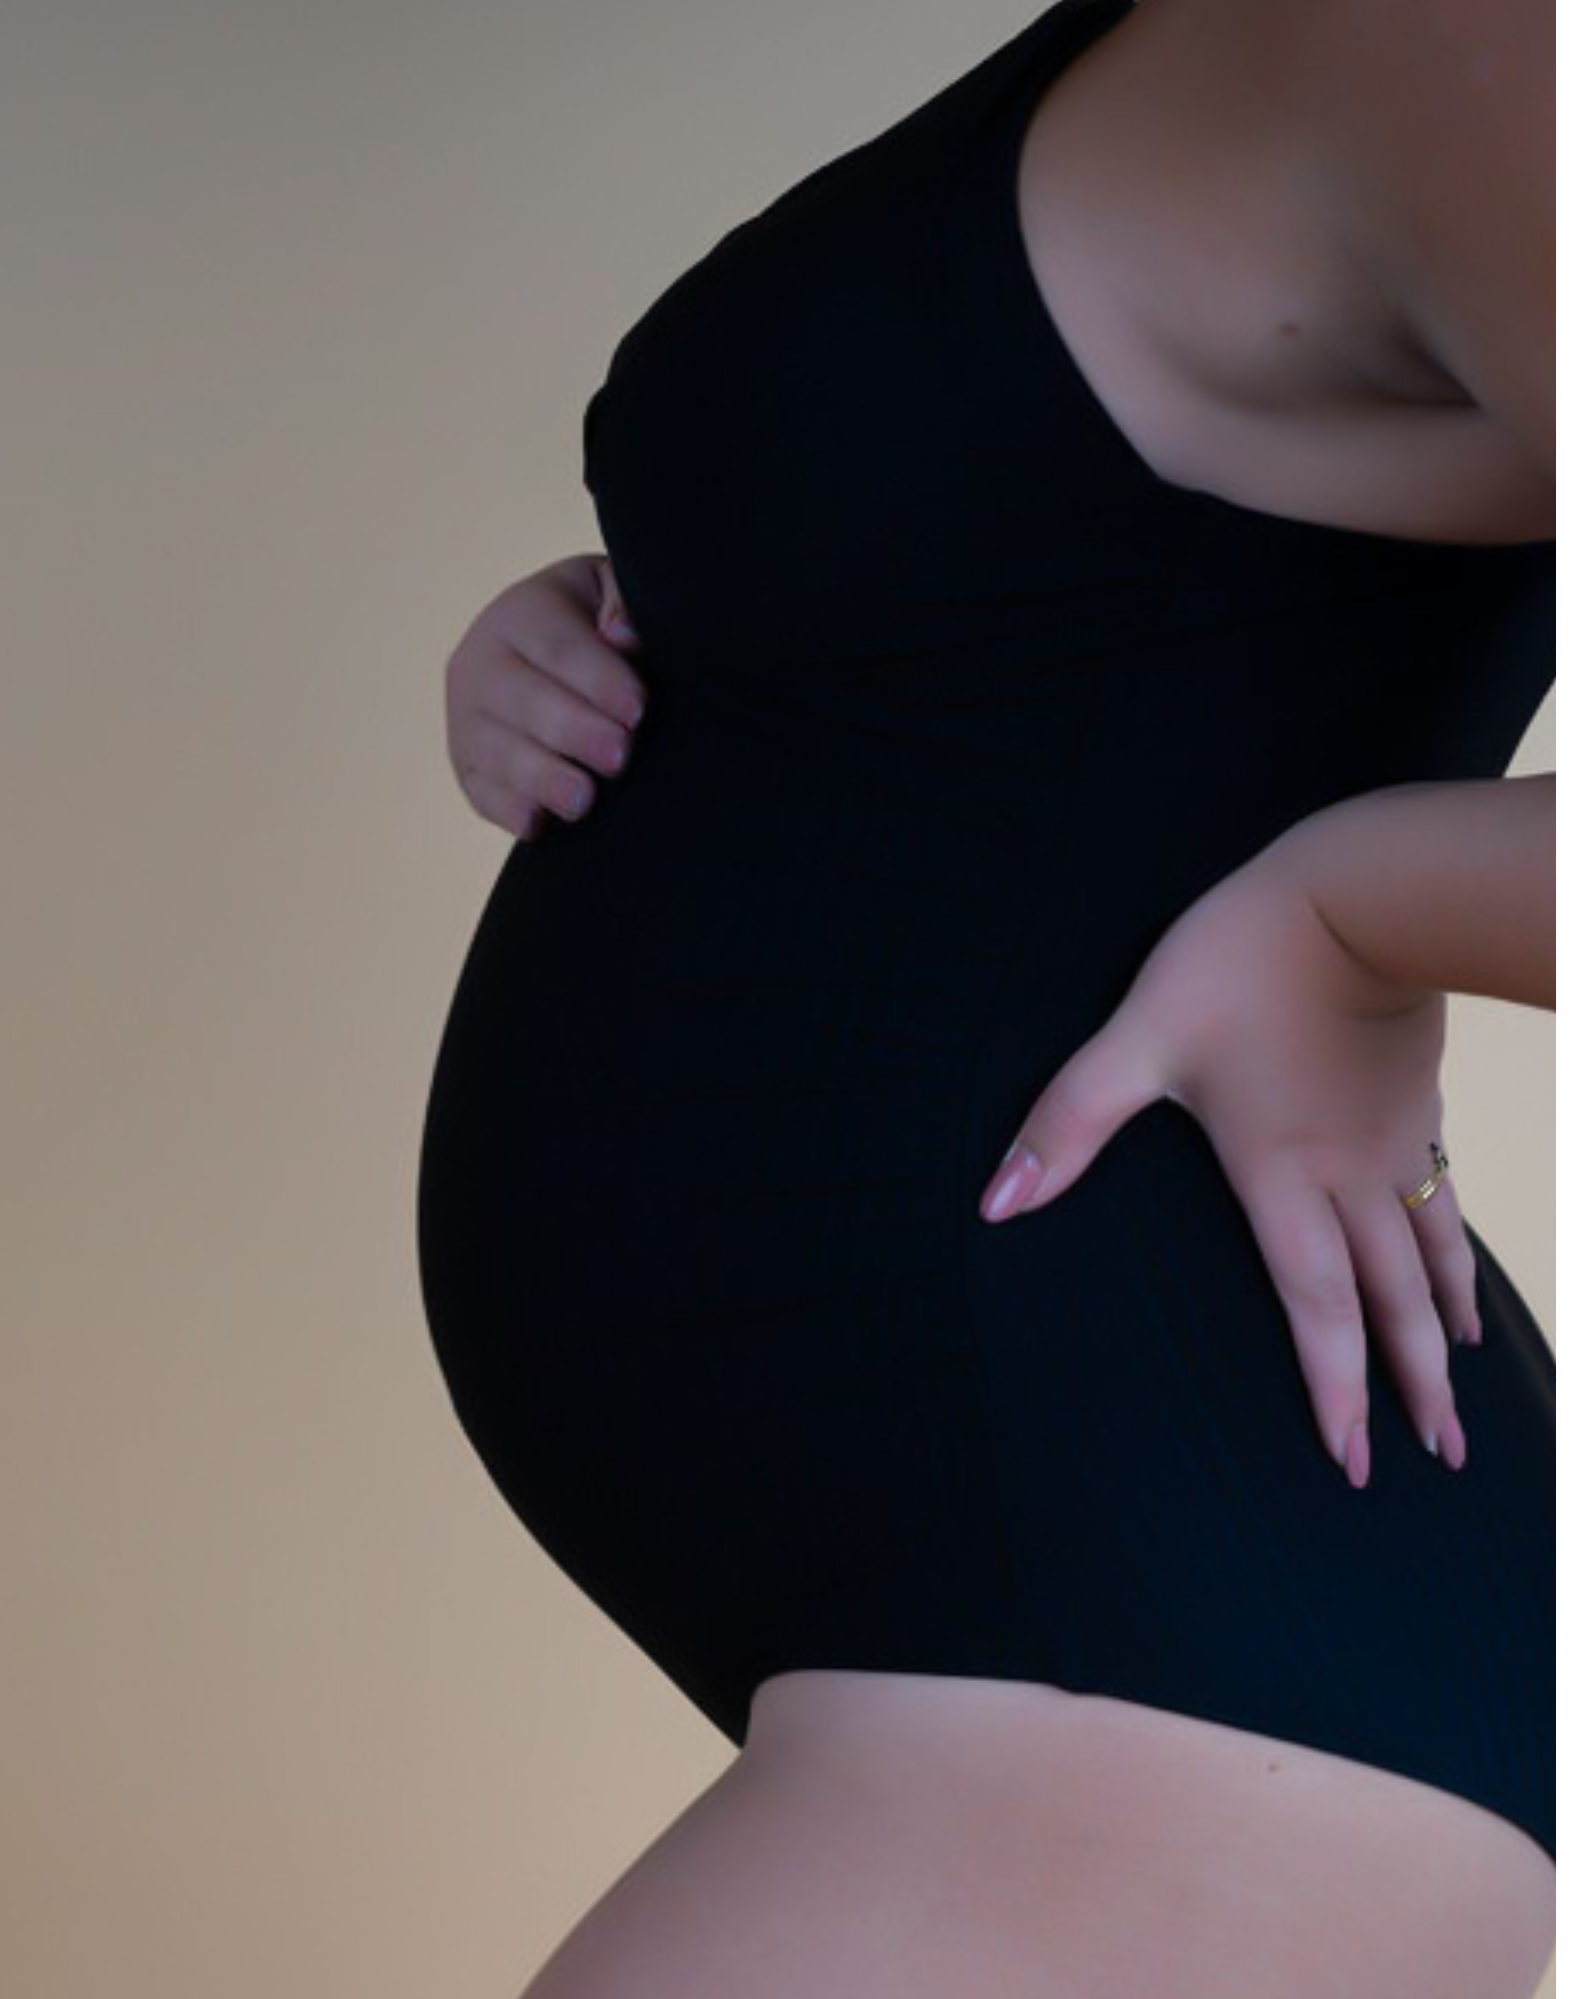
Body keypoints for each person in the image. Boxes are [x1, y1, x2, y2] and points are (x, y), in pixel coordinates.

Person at [418, 0, 1555, 1992]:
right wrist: (630, 635)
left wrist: (1355, 912)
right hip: (1063, 1619)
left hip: (1169, 1617)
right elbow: (1069, 604)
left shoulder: (1478, 50)